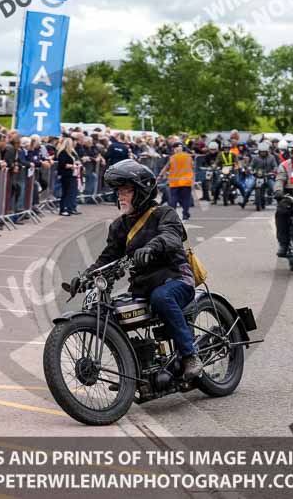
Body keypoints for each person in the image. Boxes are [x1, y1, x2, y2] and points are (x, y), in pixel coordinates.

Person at [86, 159, 202, 380]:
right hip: (143, 286)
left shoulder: (164, 213)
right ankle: (133, 370)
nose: (120, 196)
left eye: (126, 191)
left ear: (142, 191)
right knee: (115, 311)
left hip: (175, 278)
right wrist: (85, 275)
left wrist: (152, 246)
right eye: (118, 191)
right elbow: (108, 256)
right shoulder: (120, 226)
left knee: (162, 298)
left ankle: (189, 355)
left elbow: (171, 236)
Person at [158, 143, 194, 220]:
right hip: (186, 182)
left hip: (174, 183)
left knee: (173, 199)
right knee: (186, 199)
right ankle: (185, 213)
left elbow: (166, 167)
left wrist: (160, 176)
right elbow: (192, 166)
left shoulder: (172, 158)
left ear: (175, 149)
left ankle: (173, 215)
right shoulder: (189, 157)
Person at [246, 141, 278, 208]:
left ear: (267, 151)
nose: (262, 153)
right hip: (258, 177)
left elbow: (275, 166)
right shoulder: (255, 158)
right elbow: (251, 165)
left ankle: (280, 203)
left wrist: (274, 170)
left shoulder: (271, 157)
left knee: (275, 188)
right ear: (259, 151)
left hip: (268, 177)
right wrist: (249, 169)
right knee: (249, 189)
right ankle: (244, 202)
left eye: (264, 152)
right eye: (261, 152)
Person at [56, 138, 79, 216]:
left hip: (70, 174)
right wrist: (72, 166)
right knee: (65, 193)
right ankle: (62, 209)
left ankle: (67, 208)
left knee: (68, 192)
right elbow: (62, 164)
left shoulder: (70, 153)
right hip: (65, 174)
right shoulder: (63, 153)